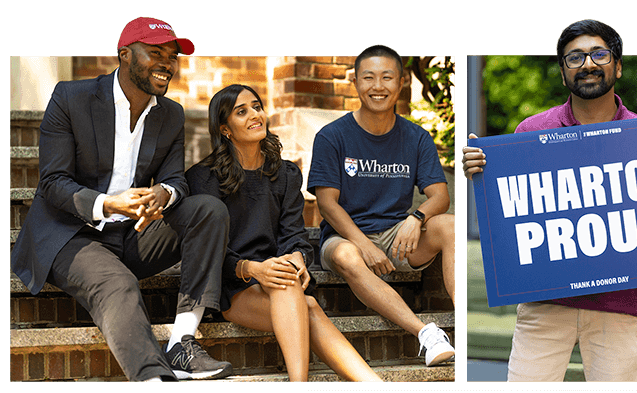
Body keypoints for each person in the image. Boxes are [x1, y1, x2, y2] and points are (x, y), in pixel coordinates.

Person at [460, 19, 637, 382]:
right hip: (543, 306)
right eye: (575, 57)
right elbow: (510, 219)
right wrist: (481, 172)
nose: (587, 64)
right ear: (563, 71)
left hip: (617, 309)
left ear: (618, 64)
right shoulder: (531, 133)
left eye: (599, 54)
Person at [9, 17, 232, 382]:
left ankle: (181, 341)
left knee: (208, 210)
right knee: (118, 283)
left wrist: (165, 193)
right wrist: (108, 204)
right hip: (70, 233)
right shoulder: (71, 98)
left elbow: (176, 178)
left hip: (132, 233)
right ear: (125, 55)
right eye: (156, 53)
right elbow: (52, 182)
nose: (167, 64)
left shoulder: (170, 114)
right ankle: (151, 375)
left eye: (172, 56)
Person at [186, 84, 382, 381]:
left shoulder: (286, 174)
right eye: (242, 112)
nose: (255, 115)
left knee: (289, 274)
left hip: (278, 281)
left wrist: (299, 257)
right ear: (225, 129)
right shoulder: (204, 178)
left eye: (257, 106)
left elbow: (295, 236)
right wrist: (252, 269)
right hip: (233, 285)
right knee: (302, 299)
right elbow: (205, 250)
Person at [308, 44, 456, 367]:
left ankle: (466, 324)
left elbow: (440, 196)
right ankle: (426, 334)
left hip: (397, 236)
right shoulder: (331, 137)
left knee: (450, 226)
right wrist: (363, 244)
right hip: (343, 237)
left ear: (400, 83)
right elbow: (327, 204)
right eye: (369, 78)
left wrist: (417, 217)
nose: (378, 87)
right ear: (356, 83)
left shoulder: (416, 137)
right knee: (347, 255)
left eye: (387, 78)